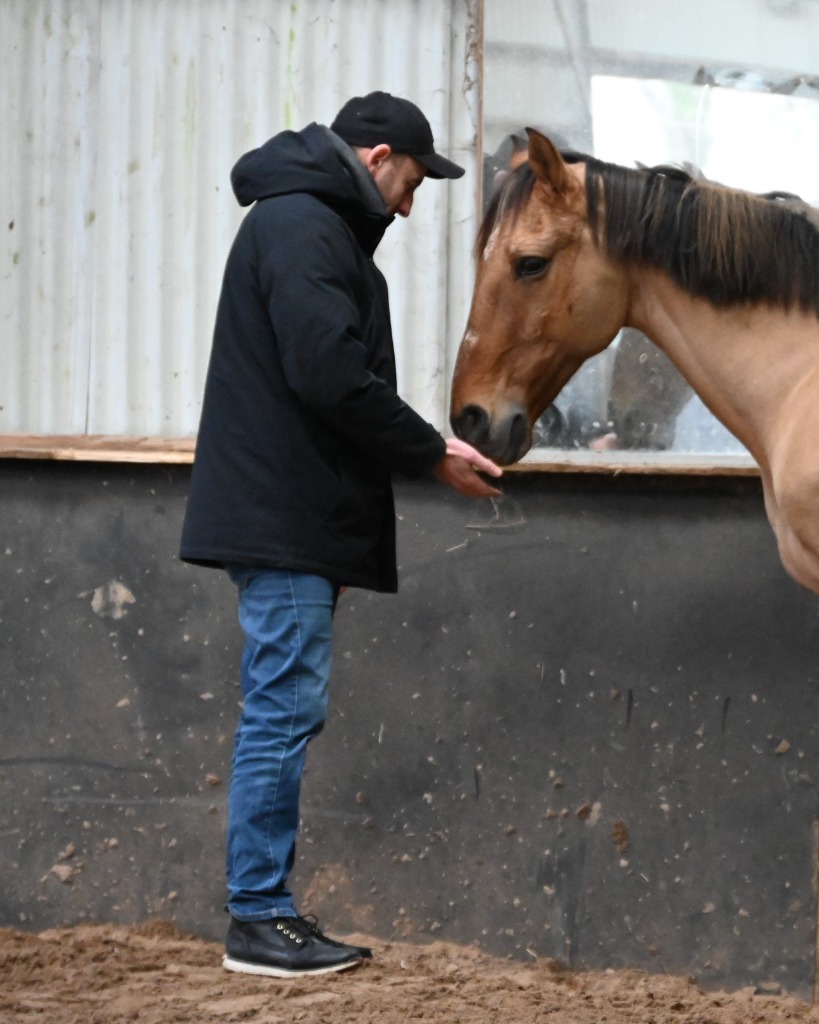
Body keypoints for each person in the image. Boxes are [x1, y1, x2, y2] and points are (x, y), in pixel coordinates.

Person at [179, 91, 502, 980]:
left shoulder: (308, 227)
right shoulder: (303, 228)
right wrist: (431, 451)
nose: (410, 202)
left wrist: (345, 546)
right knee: (281, 710)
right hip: (283, 516)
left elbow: (318, 388)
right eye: (411, 180)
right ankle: (257, 917)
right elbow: (327, 374)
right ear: (376, 156)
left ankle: (263, 910)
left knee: (283, 708)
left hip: (297, 517)